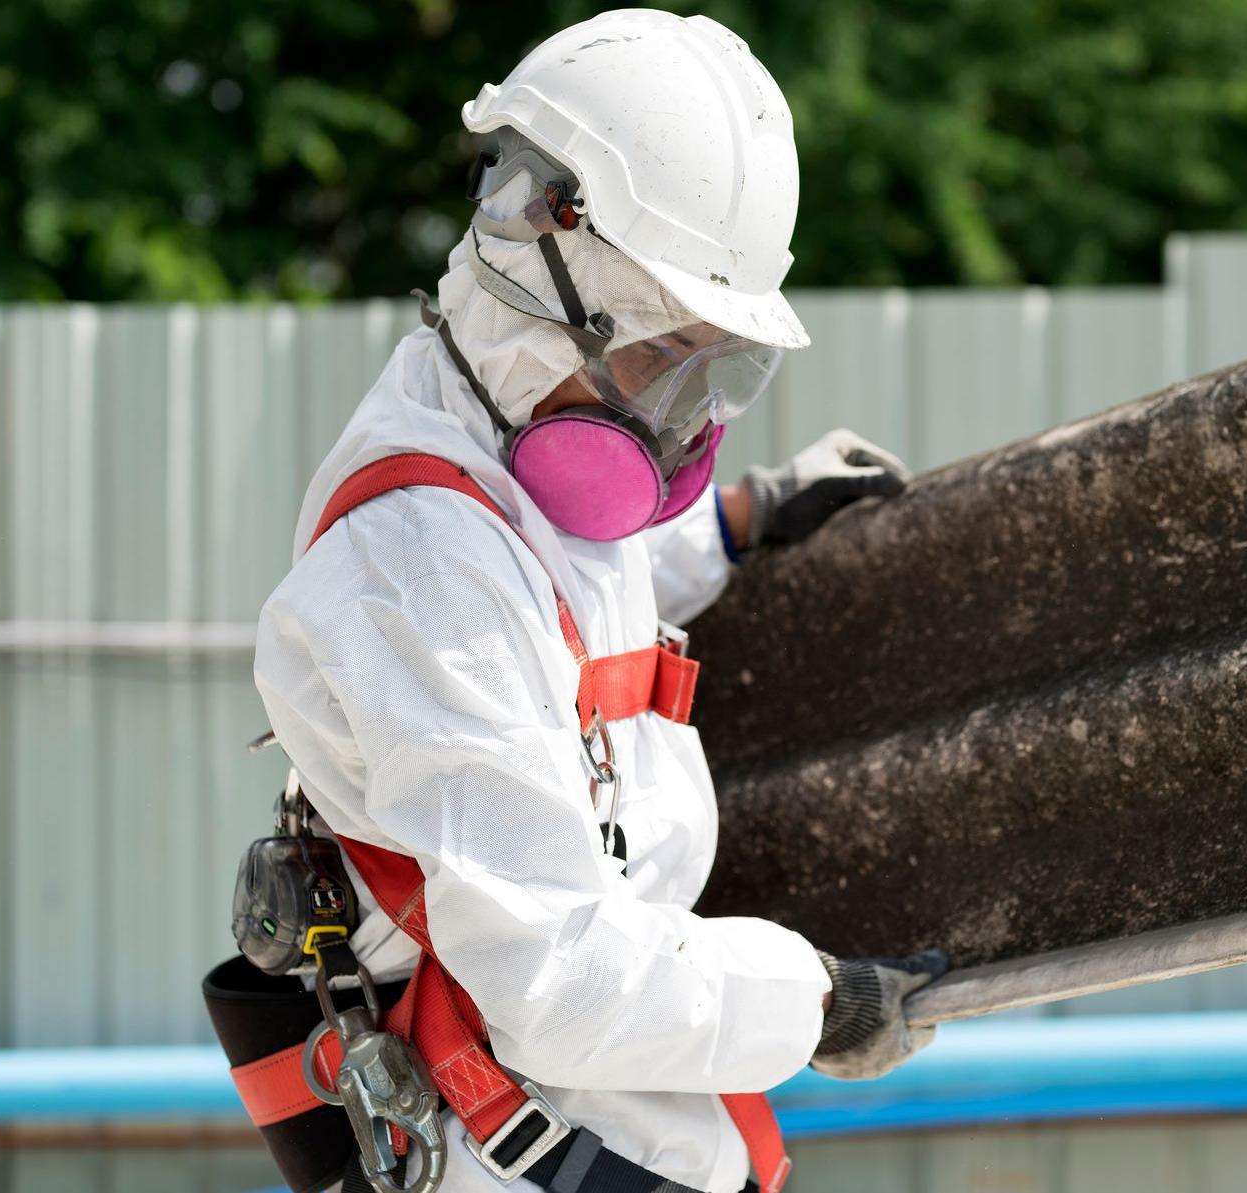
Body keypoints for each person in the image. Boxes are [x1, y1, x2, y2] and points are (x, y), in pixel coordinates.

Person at [252, 11, 943, 1192]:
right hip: (524, 1150)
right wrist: (814, 1002)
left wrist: (739, 520)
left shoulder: (494, 436)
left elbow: (559, 596)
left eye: (710, 366)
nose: (675, 417)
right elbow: (559, 980)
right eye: (658, 355)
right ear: (537, 251)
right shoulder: (417, 566)